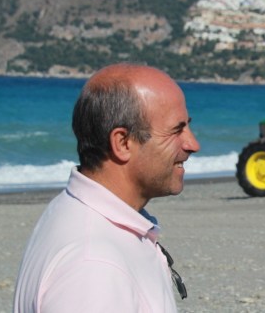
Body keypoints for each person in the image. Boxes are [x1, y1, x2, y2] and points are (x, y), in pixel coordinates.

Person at [14, 63, 200, 312]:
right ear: (123, 143)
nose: (192, 144)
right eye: (177, 129)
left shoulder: (77, 212)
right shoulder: (93, 265)